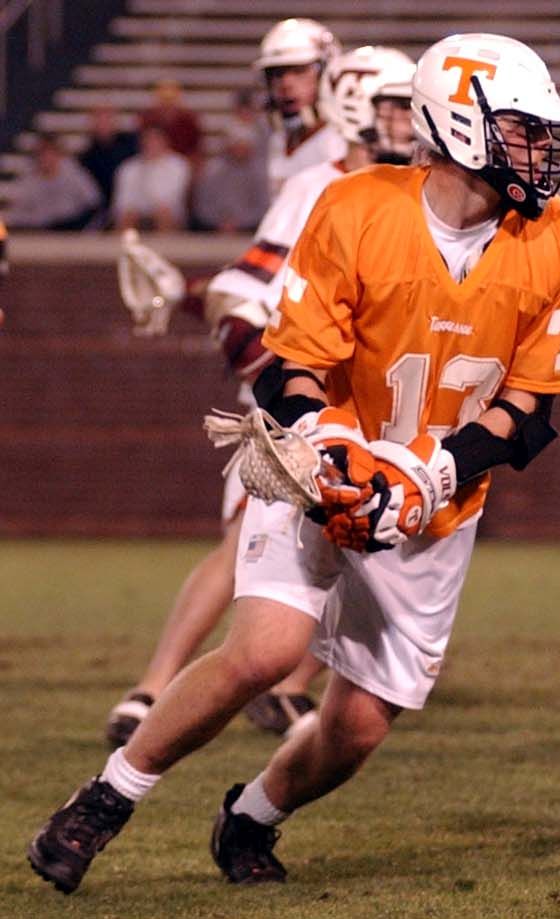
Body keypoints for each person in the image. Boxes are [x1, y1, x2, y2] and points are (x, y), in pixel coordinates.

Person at [31, 31, 560, 893]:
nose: (542, 145)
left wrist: (430, 475)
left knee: (358, 726)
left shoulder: (558, 234)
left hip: (437, 503)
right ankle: (106, 798)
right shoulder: (356, 205)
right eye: (523, 126)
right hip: (321, 459)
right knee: (264, 651)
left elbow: (527, 406)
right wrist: (333, 453)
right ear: (458, 124)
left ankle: (251, 813)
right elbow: (291, 366)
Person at [103, 45, 419, 748]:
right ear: (357, 107)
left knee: (366, 544)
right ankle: (156, 689)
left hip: (378, 398)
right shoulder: (322, 184)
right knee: (251, 538)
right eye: (397, 106)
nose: (411, 120)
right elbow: (250, 288)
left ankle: (285, 687)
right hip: (308, 393)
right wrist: (258, 354)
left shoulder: (414, 188)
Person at [253, 17, 346, 196]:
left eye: (299, 71)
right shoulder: (278, 140)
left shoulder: (342, 142)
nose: (286, 84)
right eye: (277, 73)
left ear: (328, 74)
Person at [6, 133, 102, 230]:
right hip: (40, 231)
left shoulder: (74, 174)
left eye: (51, 153)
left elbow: (94, 203)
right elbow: (17, 214)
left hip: (73, 230)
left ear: (59, 155)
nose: (46, 158)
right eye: (42, 154)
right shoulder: (29, 181)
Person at [111, 124, 191, 231]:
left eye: (156, 140)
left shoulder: (179, 165)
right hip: (136, 212)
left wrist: (150, 168)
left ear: (165, 142)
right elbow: (122, 200)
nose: (151, 144)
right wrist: (131, 210)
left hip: (168, 212)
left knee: (163, 214)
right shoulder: (128, 167)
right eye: (148, 140)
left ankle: (165, 241)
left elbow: (173, 199)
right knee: (126, 217)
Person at [192, 123, 269, 232]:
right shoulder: (212, 171)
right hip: (213, 229)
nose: (240, 150)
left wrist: (239, 223)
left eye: (243, 146)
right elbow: (202, 206)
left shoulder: (259, 175)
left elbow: (262, 208)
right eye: (237, 145)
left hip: (248, 230)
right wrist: (219, 222)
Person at [78, 108, 138, 216]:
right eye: (99, 121)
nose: (103, 125)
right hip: (105, 203)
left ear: (115, 122)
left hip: (133, 197)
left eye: (107, 120)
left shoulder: (132, 144)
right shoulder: (87, 156)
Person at [138, 79, 203, 162]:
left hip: (182, 163)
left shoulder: (188, 119)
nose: (167, 105)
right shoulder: (147, 118)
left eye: (170, 100)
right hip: (151, 160)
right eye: (164, 100)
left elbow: (194, 148)